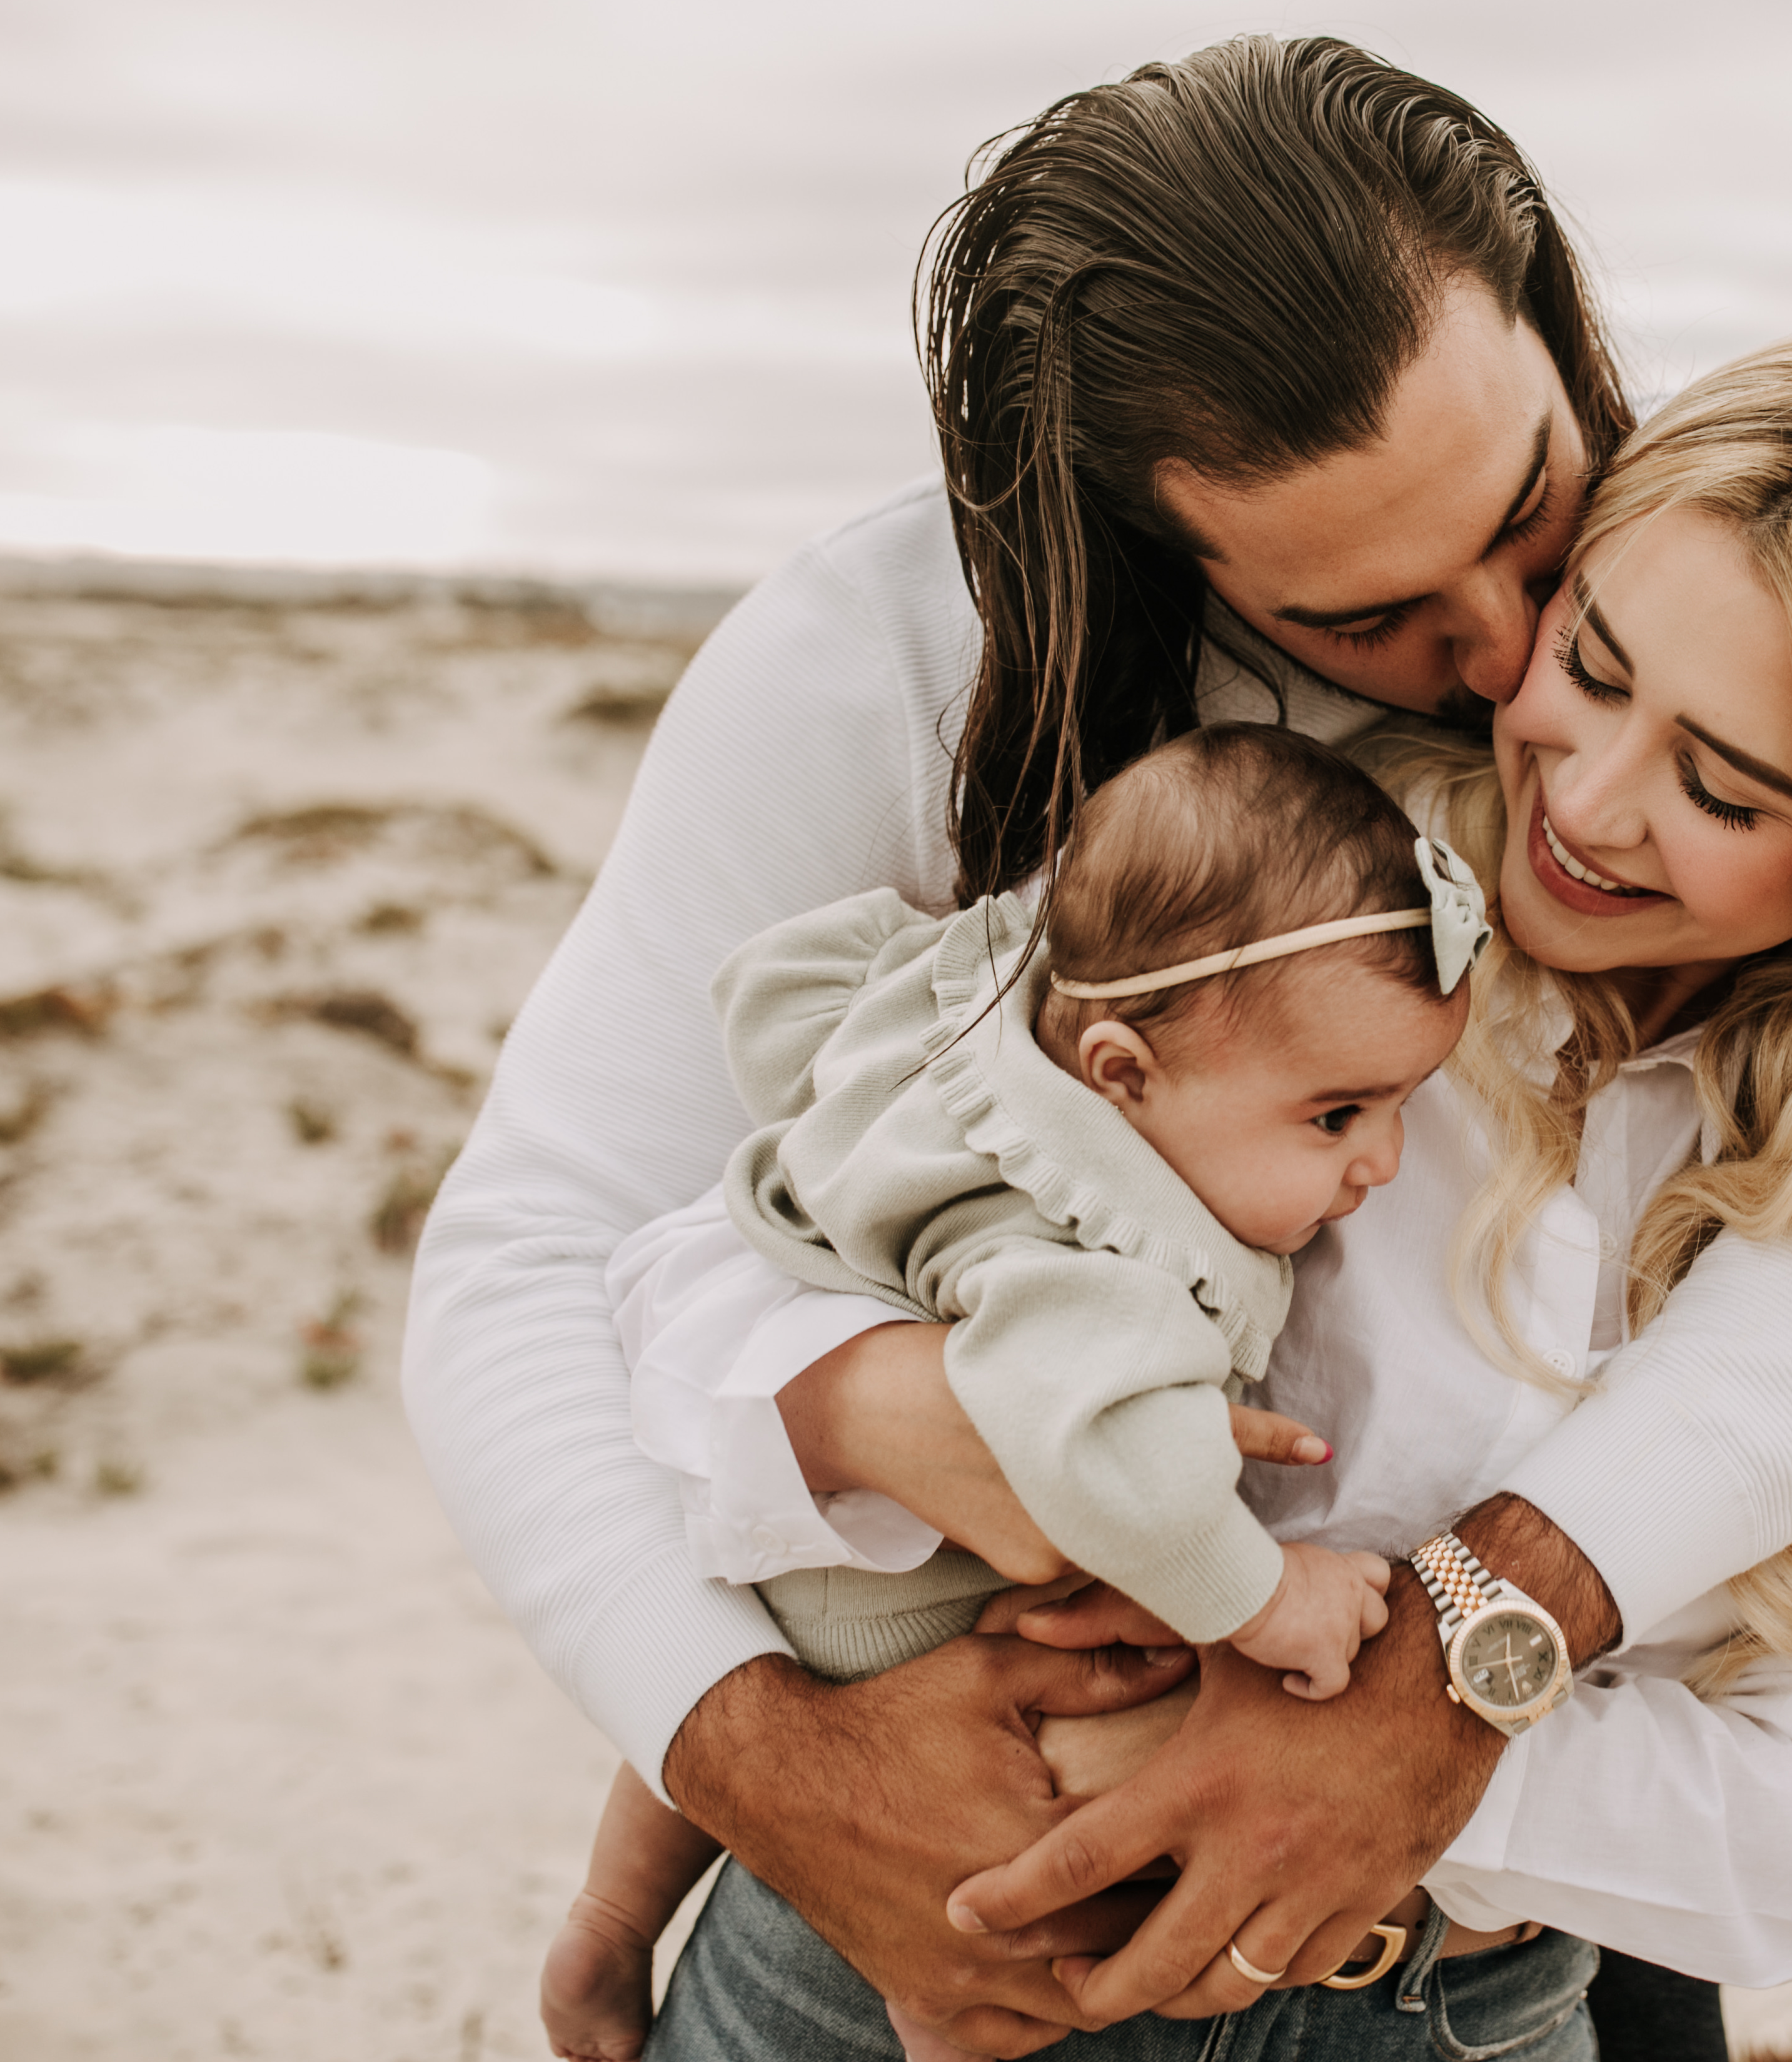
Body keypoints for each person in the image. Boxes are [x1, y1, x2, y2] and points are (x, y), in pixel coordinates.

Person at [398, 37, 1792, 2062]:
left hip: (1471, 1957)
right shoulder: (1020, 746)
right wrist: (749, 1727)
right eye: (1368, 616)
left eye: (1541, 516)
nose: (1504, 670)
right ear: (1174, 571)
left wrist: (1443, 1705)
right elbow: (600, 1261)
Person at [538, 727, 1481, 2061]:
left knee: (711, 1710)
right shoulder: (1097, 1263)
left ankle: (607, 1917)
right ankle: (939, 2016)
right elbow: (1110, 1463)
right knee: (1007, 1900)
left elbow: (777, 986)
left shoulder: (962, 1032)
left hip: (792, 1593)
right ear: (1121, 1074)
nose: (1381, 1158)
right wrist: (1275, 1598)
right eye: (1337, 1115)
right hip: (924, 1624)